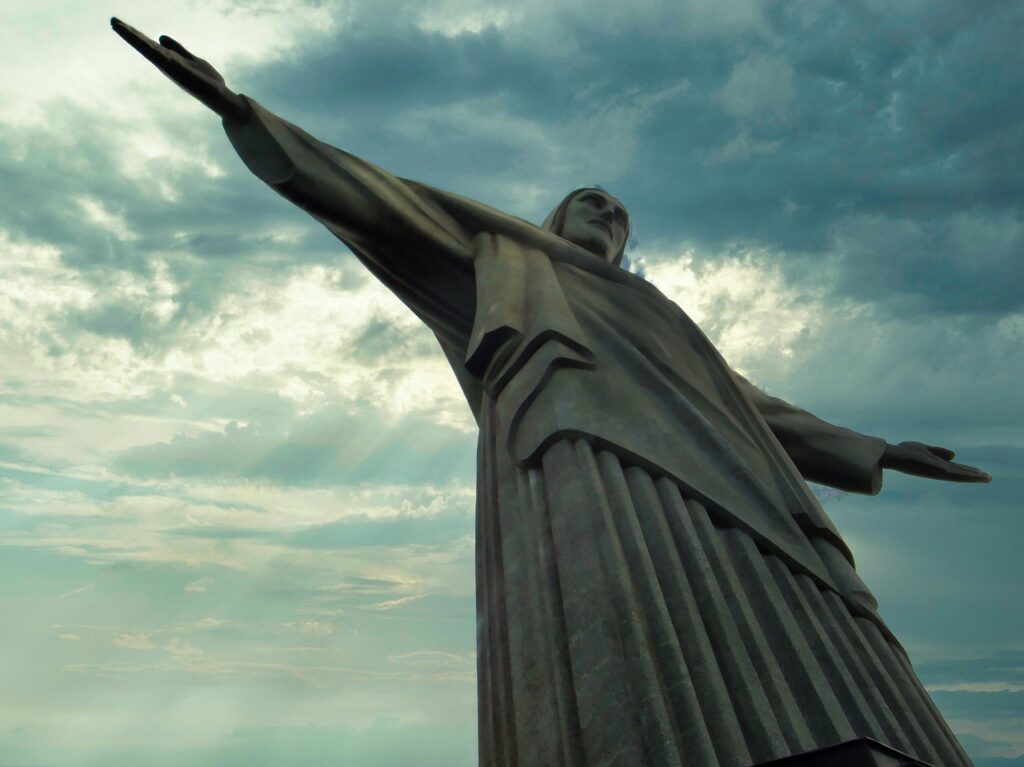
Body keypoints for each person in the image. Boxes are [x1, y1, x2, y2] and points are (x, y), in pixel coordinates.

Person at [112, 19, 990, 766]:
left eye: (620, 215)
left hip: (737, 483)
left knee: (816, 625)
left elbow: (756, 410)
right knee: (627, 628)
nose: (608, 216)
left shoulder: (658, 310)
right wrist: (239, 110)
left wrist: (877, 449)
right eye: (592, 203)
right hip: (590, 460)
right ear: (554, 218)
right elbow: (382, 202)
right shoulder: (508, 259)